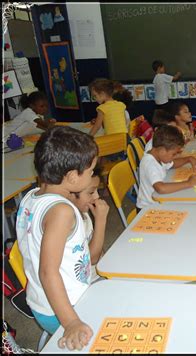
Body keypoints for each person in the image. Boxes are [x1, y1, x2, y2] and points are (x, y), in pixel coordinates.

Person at [16, 126, 99, 351]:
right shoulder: (62, 212)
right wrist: (71, 322)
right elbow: (48, 271)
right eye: (91, 171)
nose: (93, 174)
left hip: (43, 302)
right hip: (63, 309)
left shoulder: (31, 197)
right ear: (72, 177)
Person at [137, 125, 196, 211]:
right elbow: (161, 188)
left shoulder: (159, 156)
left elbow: (173, 164)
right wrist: (188, 183)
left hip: (160, 201)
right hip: (149, 209)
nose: (175, 156)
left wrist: (188, 159)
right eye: (173, 154)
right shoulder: (150, 164)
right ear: (162, 151)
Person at [68, 166, 109, 283]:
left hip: (98, 273)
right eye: (91, 192)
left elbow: (97, 246)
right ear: (70, 193)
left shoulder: (84, 213)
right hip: (86, 283)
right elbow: (92, 258)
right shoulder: (70, 222)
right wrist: (100, 221)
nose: (96, 197)